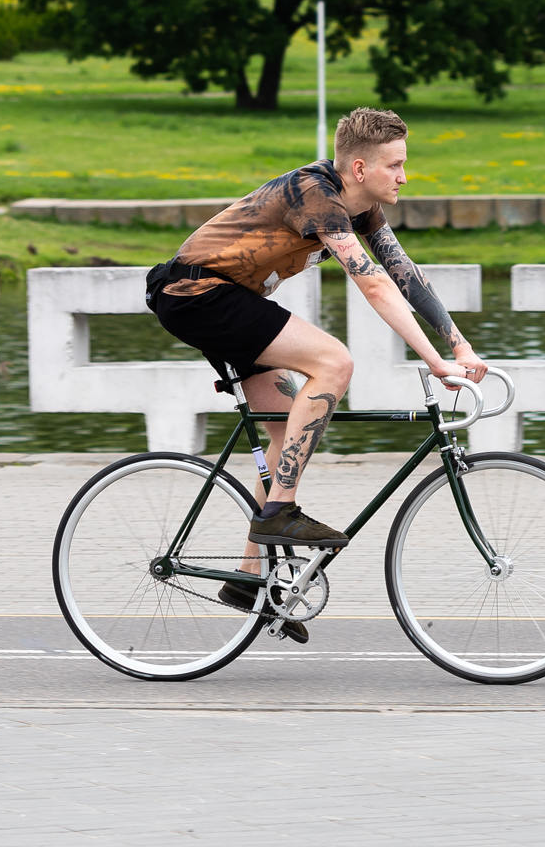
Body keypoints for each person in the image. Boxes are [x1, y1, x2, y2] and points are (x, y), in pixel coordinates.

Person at [146, 107, 488, 642]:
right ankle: (279, 511)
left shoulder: (363, 209)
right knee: (334, 362)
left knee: (288, 434)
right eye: (395, 165)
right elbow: (372, 285)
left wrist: (458, 342)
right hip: (195, 294)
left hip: (228, 298)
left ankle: (247, 577)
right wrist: (434, 362)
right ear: (358, 168)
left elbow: (404, 276)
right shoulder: (317, 194)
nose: (404, 176)